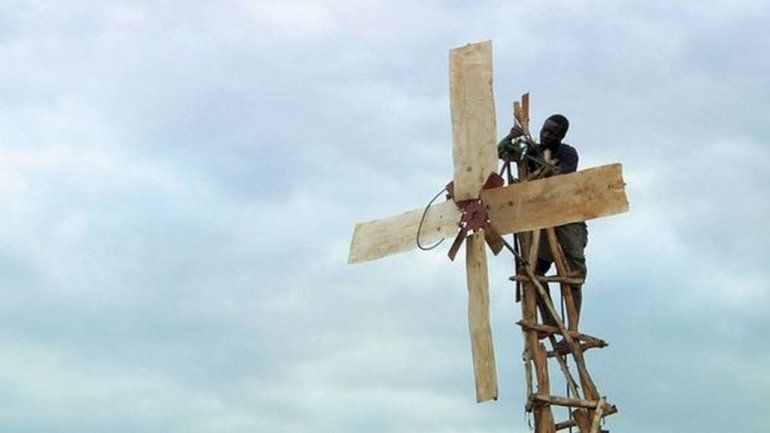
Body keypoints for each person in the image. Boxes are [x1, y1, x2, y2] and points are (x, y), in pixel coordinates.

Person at [497, 114, 588, 338]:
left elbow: (561, 176)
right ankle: (550, 322)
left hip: (567, 220)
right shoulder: (531, 150)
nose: (546, 135)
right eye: (545, 130)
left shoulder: (567, 153)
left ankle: (573, 329)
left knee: (573, 274)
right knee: (532, 270)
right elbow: (502, 152)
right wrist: (511, 137)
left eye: (552, 133)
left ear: (561, 136)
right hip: (541, 224)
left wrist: (542, 170)